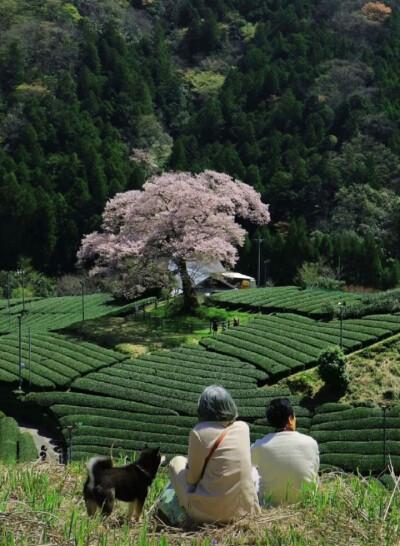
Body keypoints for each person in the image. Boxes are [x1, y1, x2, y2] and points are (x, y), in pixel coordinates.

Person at [168, 385, 260, 524]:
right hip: (245, 512)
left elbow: (191, 478)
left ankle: (183, 505)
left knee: (176, 462)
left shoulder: (199, 432)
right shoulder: (243, 428)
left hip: (209, 514)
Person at [251, 398, 319, 506]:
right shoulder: (311, 442)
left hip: (270, 504)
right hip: (305, 503)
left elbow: (247, 465)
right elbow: (315, 471)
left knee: (250, 470)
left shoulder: (260, 445)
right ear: (290, 418)